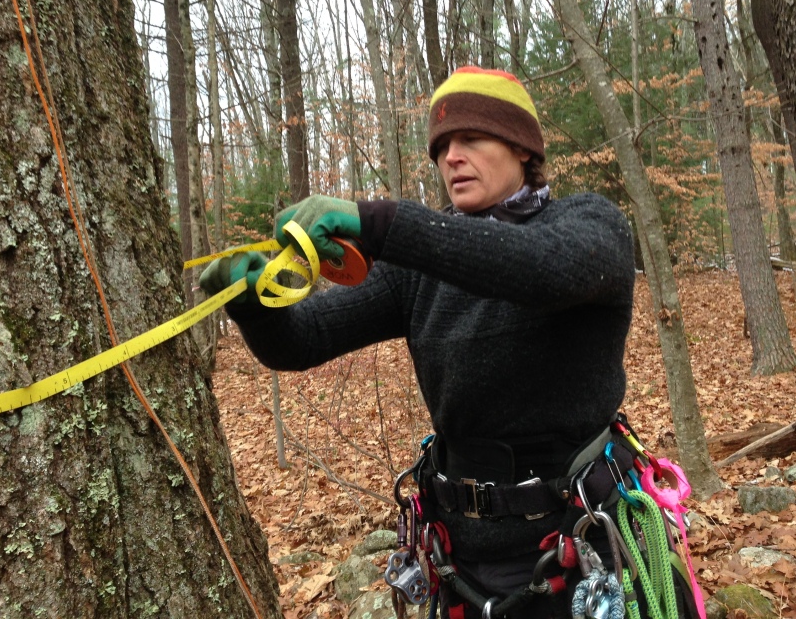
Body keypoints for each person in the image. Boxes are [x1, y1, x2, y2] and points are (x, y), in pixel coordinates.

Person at [201, 66, 639, 618]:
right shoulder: (420, 270)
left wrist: (381, 223)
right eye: (441, 146)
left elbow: (542, 269)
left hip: (582, 545)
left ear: (523, 148)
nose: (451, 156)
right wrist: (254, 306)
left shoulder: (590, 223)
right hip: (463, 561)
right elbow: (305, 339)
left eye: (471, 139)